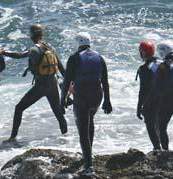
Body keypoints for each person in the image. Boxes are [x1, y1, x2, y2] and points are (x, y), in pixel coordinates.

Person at [0, 24, 68, 143]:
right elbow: (62, 70)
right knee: (58, 113)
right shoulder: (50, 48)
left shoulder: (34, 49)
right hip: (53, 83)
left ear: (31, 35)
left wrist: (2, 52)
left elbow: (19, 55)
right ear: (42, 34)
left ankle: (12, 138)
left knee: (19, 108)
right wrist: (68, 87)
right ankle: (67, 138)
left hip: (41, 85)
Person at [61, 32, 112, 175]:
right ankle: (88, 155)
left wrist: (62, 101)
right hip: (97, 96)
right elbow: (105, 82)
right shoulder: (99, 57)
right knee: (90, 121)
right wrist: (107, 101)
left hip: (82, 96)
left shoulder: (74, 58)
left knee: (82, 130)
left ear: (78, 43)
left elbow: (66, 82)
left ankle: (89, 167)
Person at [135, 40, 162, 150]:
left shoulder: (144, 68)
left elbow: (143, 90)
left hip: (152, 100)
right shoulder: (162, 63)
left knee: (151, 125)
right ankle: (164, 149)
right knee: (160, 126)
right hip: (167, 99)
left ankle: (157, 149)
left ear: (143, 53)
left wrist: (139, 106)